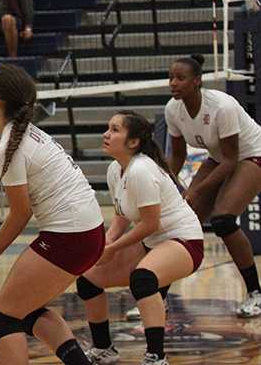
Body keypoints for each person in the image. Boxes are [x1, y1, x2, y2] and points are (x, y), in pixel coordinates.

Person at [0, 63, 103, 365]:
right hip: (87, 232)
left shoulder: (10, 146)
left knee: (1, 318)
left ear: (0, 99)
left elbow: (20, 213)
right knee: (25, 310)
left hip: (71, 235)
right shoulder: (22, 134)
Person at [78, 111, 204, 365]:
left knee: (143, 279)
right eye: (107, 128)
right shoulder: (116, 169)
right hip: (152, 243)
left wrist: (113, 250)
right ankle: (103, 349)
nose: (106, 134)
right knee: (88, 279)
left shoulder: (141, 170)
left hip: (185, 242)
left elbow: (150, 224)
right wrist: (106, 244)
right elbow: (122, 216)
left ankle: (156, 357)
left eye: (114, 130)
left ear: (133, 142)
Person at [165, 54, 261, 318]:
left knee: (223, 221)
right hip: (219, 157)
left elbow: (231, 161)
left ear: (197, 81)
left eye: (180, 78)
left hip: (251, 154)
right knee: (182, 221)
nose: (173, 83)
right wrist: (163, 181)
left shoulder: (222, 106)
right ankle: (156, 295)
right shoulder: (172, 109)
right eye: (171, 77)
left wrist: (194, 190)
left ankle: (256, 293)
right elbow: (177, 156)